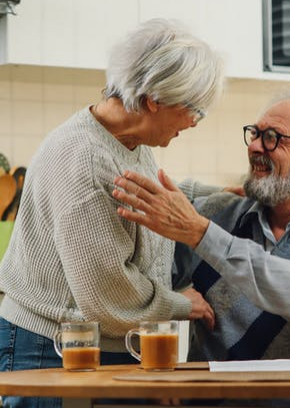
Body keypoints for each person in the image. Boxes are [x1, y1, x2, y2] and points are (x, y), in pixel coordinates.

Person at [0, 18, 224, 408]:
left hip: (101, 342)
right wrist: (182, 305)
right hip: (50, 350)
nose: (194, 122)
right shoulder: (84, 160)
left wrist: (224, 194)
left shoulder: (130, 140)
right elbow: (109, 297)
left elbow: (148, 194)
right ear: (154, 98)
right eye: (194, 109)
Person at [113, 87, 290, 407]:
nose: (256, 146)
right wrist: (172, 301)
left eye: (273, 137)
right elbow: (139, 280)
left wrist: (202, 234)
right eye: (255, 134)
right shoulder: (215, 213)